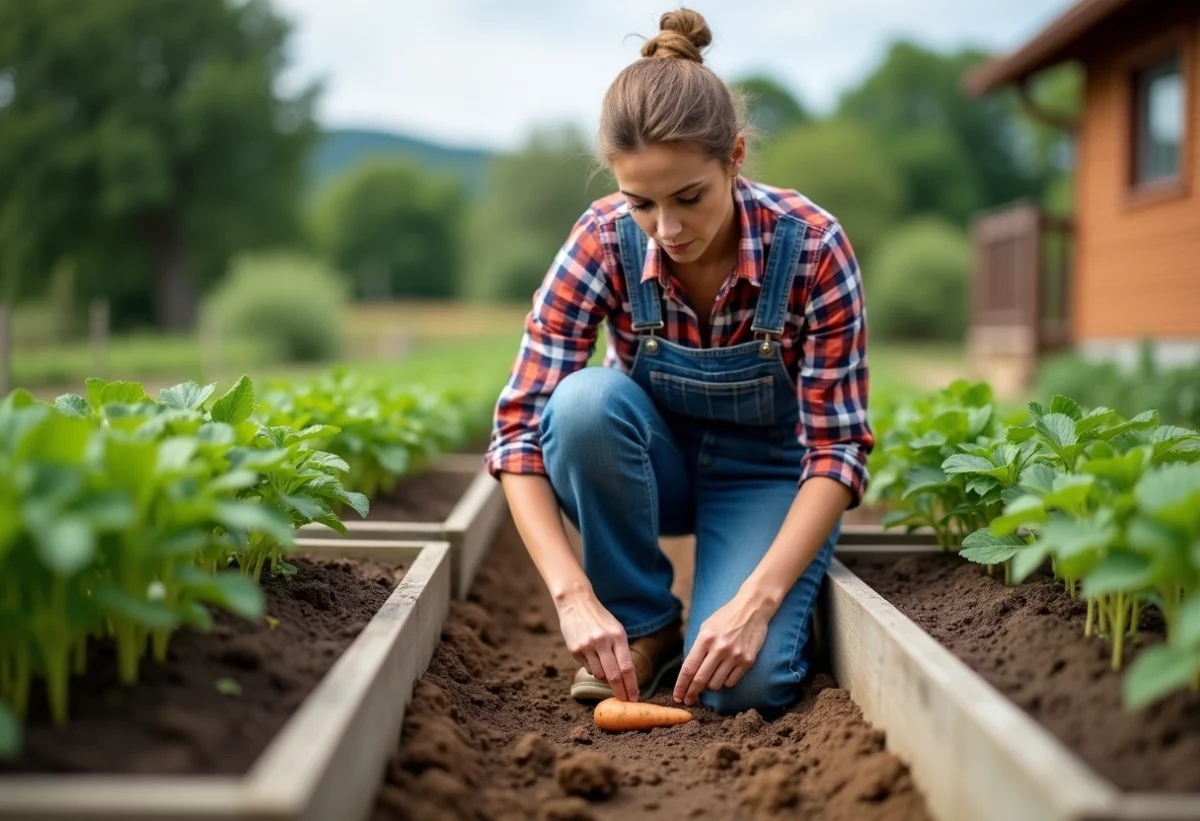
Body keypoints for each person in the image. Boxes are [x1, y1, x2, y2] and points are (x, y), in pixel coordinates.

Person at [484, 8, 873, 717]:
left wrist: (756, 603)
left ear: (736, 157)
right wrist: (573, 596)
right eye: (641, 202)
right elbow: (518, 431)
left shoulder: (813, 248)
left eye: (689, 197)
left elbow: (837, 450)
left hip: (767, 474)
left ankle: (772, 591)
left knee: (740, 688)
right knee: (580, 406)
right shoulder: (602, 239)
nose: (667, 229)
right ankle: (644, 621)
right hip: (649, 465)